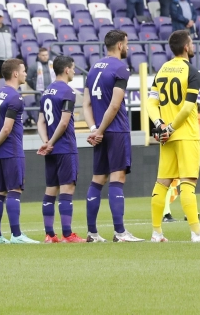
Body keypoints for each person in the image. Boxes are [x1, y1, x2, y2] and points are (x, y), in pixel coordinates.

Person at [147, 30, 200, 242]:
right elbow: (189, 106)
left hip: (166, 137)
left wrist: (160, 125)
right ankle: (197, 232)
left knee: (162, 183)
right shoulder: (192, 72)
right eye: (191, 43)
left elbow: (151, 103)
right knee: (188, 183)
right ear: (185, 47)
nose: (193, 46)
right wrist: (171, 127)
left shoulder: (162, 70)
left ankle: (156, 232)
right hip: (186, 134)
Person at [82, 30, 142, 242]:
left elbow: (86, 104)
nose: (128, 47)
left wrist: (93, 129)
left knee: (98, 179)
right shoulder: (120, 68)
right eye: (127, 43)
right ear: (119, 45)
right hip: (115, 130)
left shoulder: (93, 69)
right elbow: (115, 105)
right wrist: (100, 130)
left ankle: (92, 233)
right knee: (117, 178)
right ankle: (120, 232)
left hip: (99, 132)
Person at [0, 58, 38, 243]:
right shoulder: (15, 97)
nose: (25, 74)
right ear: (15, 73)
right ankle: (17, 234)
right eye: (23, 70)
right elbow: (6, 128)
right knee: (14, 190)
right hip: (11, 150)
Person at [35, 55, 82, 243]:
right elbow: (63, 123)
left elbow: (40, 121)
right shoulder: (67, 91)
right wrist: (52, 142)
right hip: (64, 147)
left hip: (51, 150)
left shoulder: (46, 92)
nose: (75, 71)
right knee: (67, 190)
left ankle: (49, 234)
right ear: (67, 70)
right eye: (73, 68)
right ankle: (68, 234)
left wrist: (46, 141)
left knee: (50, 190)